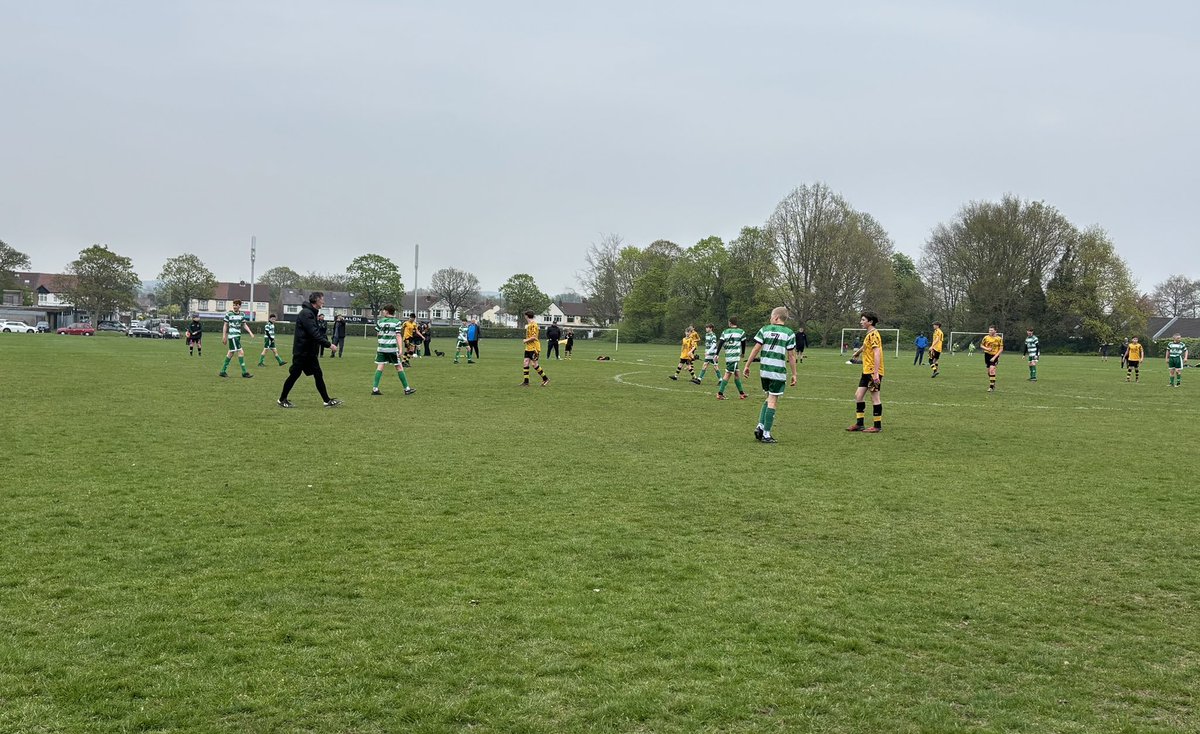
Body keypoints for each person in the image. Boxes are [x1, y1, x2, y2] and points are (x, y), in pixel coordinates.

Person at [742, 307, 797, 443]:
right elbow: (791, 355)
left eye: (771, 317)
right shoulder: (789, 333)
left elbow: (756, 348)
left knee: (768, 398)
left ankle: (760, 426)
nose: (770, 319)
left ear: (777, 317)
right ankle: (766, 434)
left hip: (764, 370)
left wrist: (747, 365)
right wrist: (794, 374)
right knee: (773, 400)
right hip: (777, 372)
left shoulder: (765, 329)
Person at [278, 292, 340, 408]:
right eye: (322, 299)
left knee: (318, 374)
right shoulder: (306, 314)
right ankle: (282, 399)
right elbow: (313, 333)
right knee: (294, 374)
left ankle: (327, 400)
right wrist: (329, 345)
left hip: (309, 352)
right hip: (302, 352)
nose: (324, 302)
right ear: (316, 300)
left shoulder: (311, 313)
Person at [847, 311, 885, 432]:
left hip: (873, 371)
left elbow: (877, 352)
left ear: (870, 322)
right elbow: (866, 346)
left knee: (875, 398)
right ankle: (859, 424)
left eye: (863, 320)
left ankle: (877, 426)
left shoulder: (874, 334)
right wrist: (858, 352)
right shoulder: (869, 334)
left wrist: (875, 373)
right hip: (866, 370)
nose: (861, 322)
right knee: (858, 396)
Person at [371, 304, 415, 396]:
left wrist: (381, 341)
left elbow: (378, 333)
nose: (383, 312)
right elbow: (398, 335)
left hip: (381, 348)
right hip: (391, 348)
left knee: (380, 366)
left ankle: (375, 388)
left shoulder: (380, 321)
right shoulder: (397, 322)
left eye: (383, 310)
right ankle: (406, 389)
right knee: (399, 367)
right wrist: (400, 348)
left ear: (387, 311)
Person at [715, 317, 749, 400]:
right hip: (734, 357)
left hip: (729, 356)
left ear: (730, 323)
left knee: (737, 374)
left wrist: (717, 354)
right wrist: (743, 353)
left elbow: (720, 343)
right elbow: (743, 343)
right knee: (728, 374)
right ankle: (720, 393)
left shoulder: (725, 332)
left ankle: (741, 393)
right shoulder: (741, 332)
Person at [220, 299, 255, 378]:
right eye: (233, 305)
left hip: (237, 336)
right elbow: (225, 325)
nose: (234, 306)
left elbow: (244, 324)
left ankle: (222, 371)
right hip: (233, 336)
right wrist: (224, 336)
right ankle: (244, 372)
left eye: (236, 305)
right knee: (241, 352)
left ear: (239, 306)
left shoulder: (242, 314)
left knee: (230, 353)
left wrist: (250, 332)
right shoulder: (229, 314)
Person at [521, 310, 549, 386]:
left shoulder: (533, 325)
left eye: (525, 316)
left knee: (534, 364)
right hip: (528, 347)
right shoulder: (529, 324)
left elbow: (534, 337)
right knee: (526, 362)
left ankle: (545, 379)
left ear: (526, 316)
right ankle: (526, 382)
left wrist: (526, 340)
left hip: (534, 348)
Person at [981, 326, 1003, 392]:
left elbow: (1001, 349)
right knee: (989, 372)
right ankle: (993, 382)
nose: (990, 331)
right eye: (989, 330)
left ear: (995, 331)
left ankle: (991, 387)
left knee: (992, 370)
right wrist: (987, 349)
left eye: (991, 330)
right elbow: (981, 345)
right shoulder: (986, 337)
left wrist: (995, 357)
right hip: (987, 355)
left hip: (994, 355)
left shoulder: (999, 339)